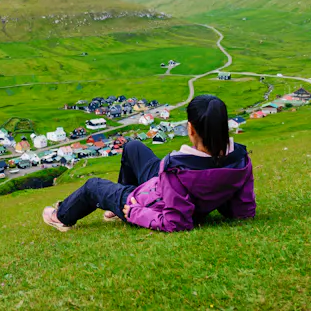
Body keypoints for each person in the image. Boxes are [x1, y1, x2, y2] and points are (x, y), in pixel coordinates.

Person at [42, 95, 256, 232]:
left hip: (145, 202)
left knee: (92, 187)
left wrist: (134, 213)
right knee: (132, 147)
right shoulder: (239, 158)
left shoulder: (176, 168)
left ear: (190, 129)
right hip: (168, 185)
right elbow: (243, 210)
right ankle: (116, 210)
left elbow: (177, 222)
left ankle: (61, 216)